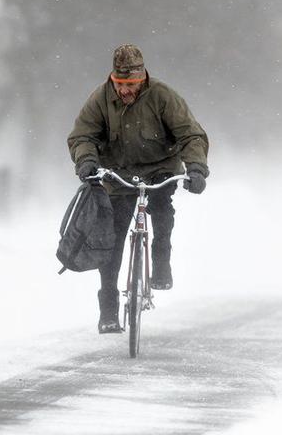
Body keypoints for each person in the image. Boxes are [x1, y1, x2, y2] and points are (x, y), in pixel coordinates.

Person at [67, 44, 209, 334]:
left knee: (162, 211)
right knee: (113, 237)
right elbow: (82, 136)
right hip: (118, 174)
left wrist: (196, 168)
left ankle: (161, 259)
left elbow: (191, 135)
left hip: (160, 169)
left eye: (130, 84)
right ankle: (108, 307)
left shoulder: (163, 96)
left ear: (142, 78)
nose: (124, 90)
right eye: (119, 84)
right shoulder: (100, 99)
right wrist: (86, 161)